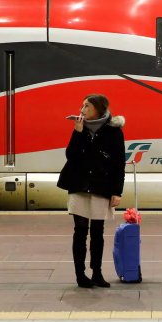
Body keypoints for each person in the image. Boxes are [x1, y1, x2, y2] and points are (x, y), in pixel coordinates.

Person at [57, 94, 126, 288]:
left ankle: (97, 273)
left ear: (99, 109)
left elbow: (118, 164)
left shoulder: (114, 131)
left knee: (97, 232)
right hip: (79, 185)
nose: (82, 110)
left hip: (101, 186)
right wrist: (77, 132)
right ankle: (80, 275)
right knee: (79, 231)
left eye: (87, 106)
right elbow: (71, 156)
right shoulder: (81, 129)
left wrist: (117, 191)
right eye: (82, 106)